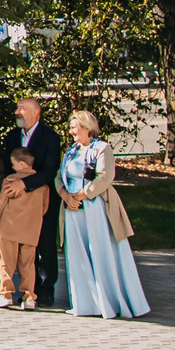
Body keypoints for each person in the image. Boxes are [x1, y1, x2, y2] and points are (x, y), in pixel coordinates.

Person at [58, 109, 149, 319]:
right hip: (72, 208)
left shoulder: (102, 148)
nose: (71, 131)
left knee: (99, 250)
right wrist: (66, 196)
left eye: (74, 127)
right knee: (77, 252)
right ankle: (85, 302)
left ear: (86, 127)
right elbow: (59, 176)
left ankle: (109, 300)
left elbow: (105, 177)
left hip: (94, 206)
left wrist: (82, 195)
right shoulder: (71, 151)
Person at [4, 97, 63, 303]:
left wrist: (25, 184)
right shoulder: (11, 137)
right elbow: (6, 168)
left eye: (22, 108)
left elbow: (50, 169)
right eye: (17, 108)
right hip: (18, 200)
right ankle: (29, 289)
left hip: (41, 198)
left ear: (36, 113)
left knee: (44, 243)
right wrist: (12, 188)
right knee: (24, 246)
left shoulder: (50, 137)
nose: (17, 112)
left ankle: (46, 290)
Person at [0, 149, 49, 310]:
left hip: (10, 227)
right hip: (31, 228)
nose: (12, 167)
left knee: (6, 261)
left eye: (13, 164)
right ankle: (29, 296)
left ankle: (6, 293)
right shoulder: (41, 185)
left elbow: (2, 203)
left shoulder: (10, 180)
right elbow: (44, 207)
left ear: (21, 164)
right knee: (28, 263)